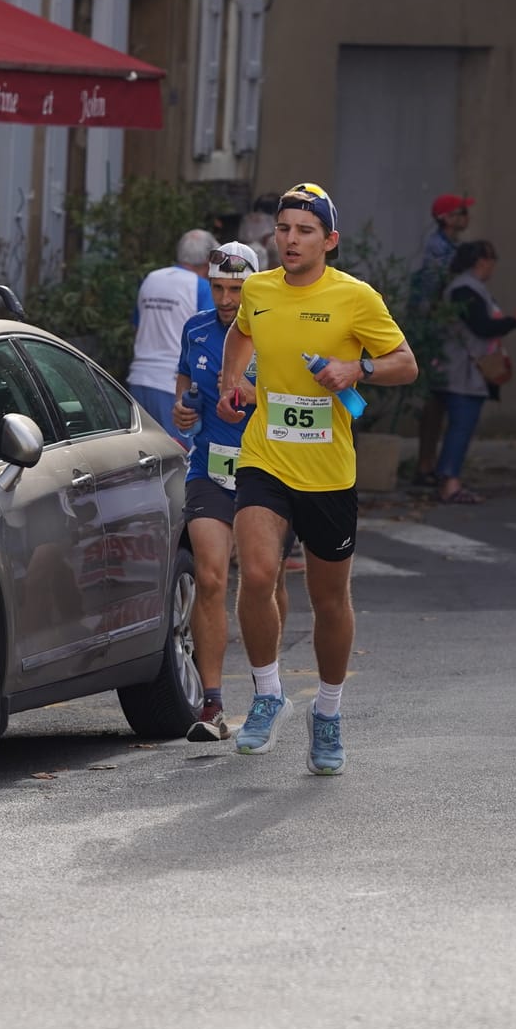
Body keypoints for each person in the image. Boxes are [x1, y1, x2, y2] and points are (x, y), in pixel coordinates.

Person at [216, 183, 418, 774]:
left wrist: (359, 367)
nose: (290, 240)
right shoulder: (258, 289)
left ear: (328, 240)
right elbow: (241, 332)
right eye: (283, 229)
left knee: (330, 601)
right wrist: (237, 385)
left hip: (328, 469)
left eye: (304, 231)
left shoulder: (356, 298)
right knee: (255, 574)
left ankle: (327, 711)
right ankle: (267, 693)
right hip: (265, 458)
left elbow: (405, 363)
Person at [169, 240, 288, 742]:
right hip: (211, 467)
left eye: (236, 289)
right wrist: (183, 408)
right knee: (211, 578)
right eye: (217, 287)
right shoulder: (196, 328)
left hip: (270, 468)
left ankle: (269, 688)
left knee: (264, 582)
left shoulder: (276, 328)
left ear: (256, 285)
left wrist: (252, 403)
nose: (225, 298)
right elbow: (184, 386)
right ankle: (211, 705)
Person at [435, 240, 516, 505]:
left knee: (462, 425)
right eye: (493, 260)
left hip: (468, 368)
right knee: (461, 425)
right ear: (483, 261)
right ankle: (449, 482)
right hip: (464, 369)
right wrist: (514, 322)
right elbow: (481, 326)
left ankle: (450, 478)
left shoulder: (469, 288)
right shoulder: (465, 290)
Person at [129, 229, 219, 445]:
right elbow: (211, 335)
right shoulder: (201, 287)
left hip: (138, 379)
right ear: (208, 261)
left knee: (144, 454)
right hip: (172, 385)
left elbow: (137, 325)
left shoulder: (151, 279)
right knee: (178, 458)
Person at [412, 194, 473, 487]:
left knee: (437, 399)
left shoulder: (451, 247)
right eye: (461, 212)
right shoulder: (438, 249)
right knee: (433, 400)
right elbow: (428, 293)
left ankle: (430, 463)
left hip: (442, 330)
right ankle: (425, 464)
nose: (466, 217)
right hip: (435, 332)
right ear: (447, 218)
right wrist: (427, 330)